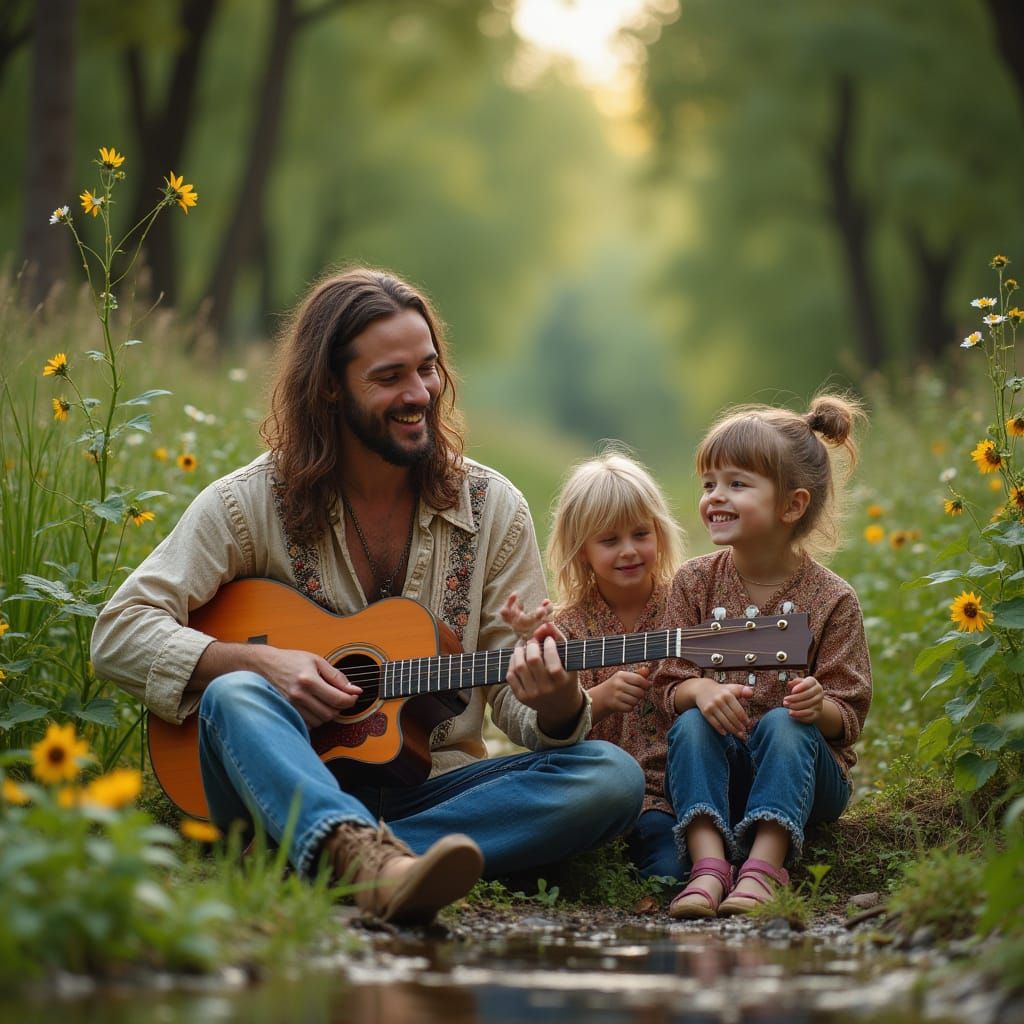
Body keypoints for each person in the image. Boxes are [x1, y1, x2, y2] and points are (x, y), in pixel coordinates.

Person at [90, 267, 645, 926]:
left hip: (433, 787)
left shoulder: (494, 509)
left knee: (610, 776)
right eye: (390, 378)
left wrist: (554, 708)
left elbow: (513, 707)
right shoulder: (248, 504)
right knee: (235, 694)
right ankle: (354, 849)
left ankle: (355, 861)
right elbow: (118, 632)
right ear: (327, 387)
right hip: (274, 782)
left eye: (429, 369)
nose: (420, 394)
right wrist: (257, 663)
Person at [657, 394, 872, 919]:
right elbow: (667, 685)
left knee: (785, 724)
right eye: (709, 483)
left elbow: (848, 717)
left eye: (737, 483)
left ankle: (764, 867)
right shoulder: (694, 583)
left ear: (791, 506)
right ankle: (708, 866)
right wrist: (699, 690)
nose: (715, 497)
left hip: (805, 776)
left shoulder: (832, 599)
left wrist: (817, 705)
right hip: (724, 768)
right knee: (689, 725)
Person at [504, 448, 686, 881]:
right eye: (609, 540)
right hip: (593, 790)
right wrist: (598, 700)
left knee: (669, 866)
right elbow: (550, 725)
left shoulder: (683, 607)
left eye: (641, 534)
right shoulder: (566, 626)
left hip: (671, 791)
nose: (629, 551)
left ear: (659, 533)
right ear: (581, 550)